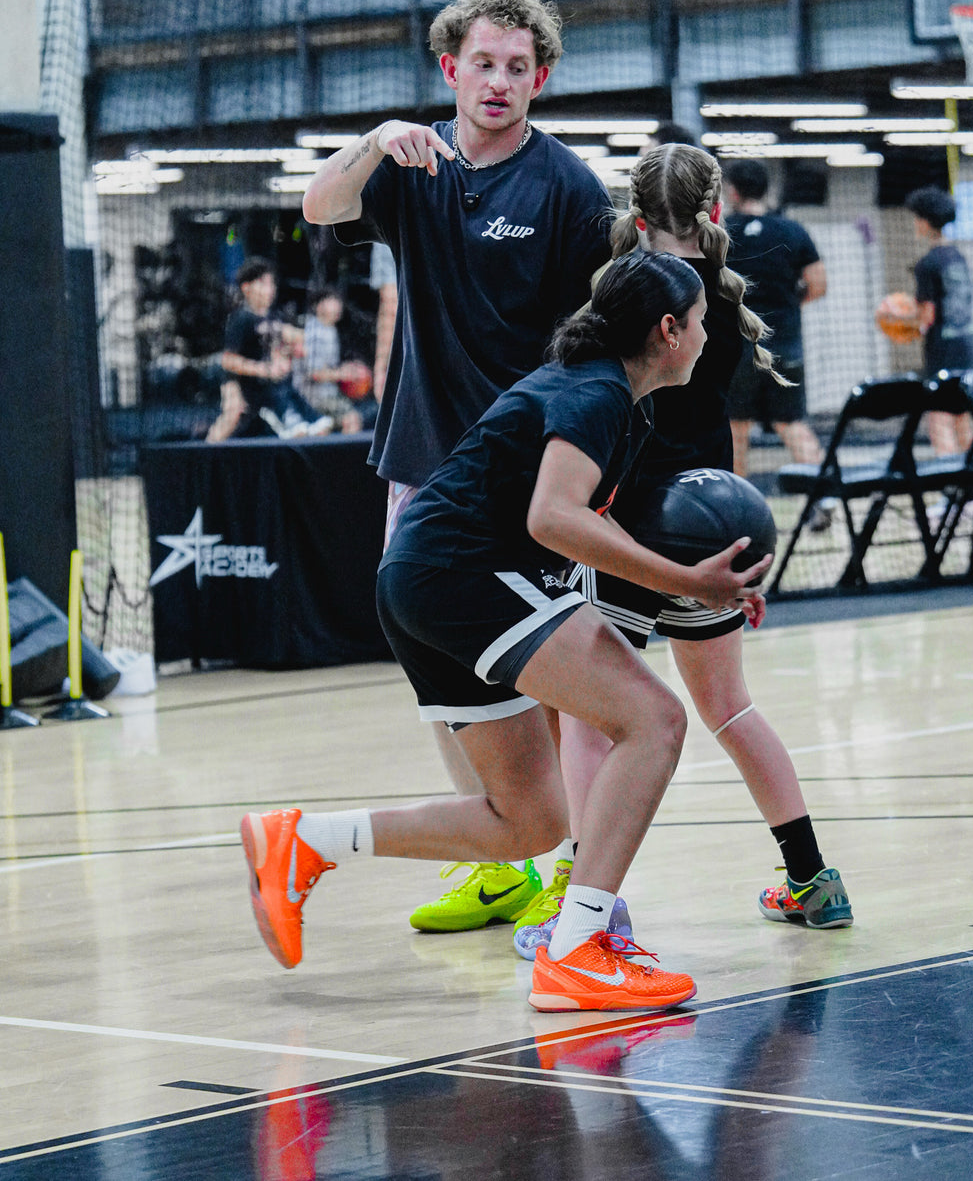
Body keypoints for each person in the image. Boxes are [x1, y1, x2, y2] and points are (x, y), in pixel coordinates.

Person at [240, 251, 772, 1011]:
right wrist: (689, 581)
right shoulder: (596, 395)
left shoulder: (616, 400)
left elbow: (591, 518)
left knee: (526, 821)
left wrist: (701, 591)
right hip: (462, 575)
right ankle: (580, 948)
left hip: (423, 578)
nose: (705, 334)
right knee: (653, 720)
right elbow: (551, 518)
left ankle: (305, 841)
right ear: (668, 329)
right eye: (702, 322)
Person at [301, 0, 613, 932]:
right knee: (446, 676)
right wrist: (376, 137)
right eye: (483, 63)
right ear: (451, 68)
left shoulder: (566, 188)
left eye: (518, 68)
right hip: (423, 461)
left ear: (540, 80)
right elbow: (320, 205)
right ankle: (501, 860)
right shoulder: (412, 162)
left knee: (550, 678)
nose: (499, 81)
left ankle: (569, 866)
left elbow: (593, 341)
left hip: (528, 477)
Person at [511, 145, 852, 960]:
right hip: (717, 525)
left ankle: (589, 909)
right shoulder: (727, 304)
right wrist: (739, 553)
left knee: (595, 723)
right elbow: (719, 438)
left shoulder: (627, 299)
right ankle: (811, 878)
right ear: (717, 212)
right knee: (731, 708)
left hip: (635, 529)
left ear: (632, 222)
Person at [721, 160, 835, 532]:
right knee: (792, 425)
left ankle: (738, 514)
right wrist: (785, 306)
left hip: (737, 348)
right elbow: (817, 284)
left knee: (736, 430)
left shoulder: (722, 231)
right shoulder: (791, 229)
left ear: (733, 191)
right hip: (785, 345)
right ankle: (823, 497)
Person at [206, 258, 333, 441]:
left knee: (314, 426)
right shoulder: (241, 318)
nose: (270, 288)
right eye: (263, 283)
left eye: (271, 283)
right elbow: (228, 361)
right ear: (246, 288)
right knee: (232, 414)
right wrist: (265, 370)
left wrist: (290, 353)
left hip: (268, 388)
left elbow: (290, 343)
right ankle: (208, 454)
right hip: (239, 383)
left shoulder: (275, 317)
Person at [907, 185, 973, 456]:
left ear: (925, 221)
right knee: (963, 418)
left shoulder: (927, 263)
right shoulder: (958, 256)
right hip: (968, 345)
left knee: (938, 418)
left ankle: (950, 491)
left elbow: (927, 316)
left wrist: (903, 324)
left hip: (943, 351)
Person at [293, 288, 369, 434]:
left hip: (328, 393)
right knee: (351, 419)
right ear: (319, 306)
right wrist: (343, 374)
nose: (338, 305)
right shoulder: (314, 330)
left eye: (338, 301)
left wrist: (347, 368)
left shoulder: (330, 329)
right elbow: (314, 373)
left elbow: (328, 367)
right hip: (311, 396)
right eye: (332, 300)